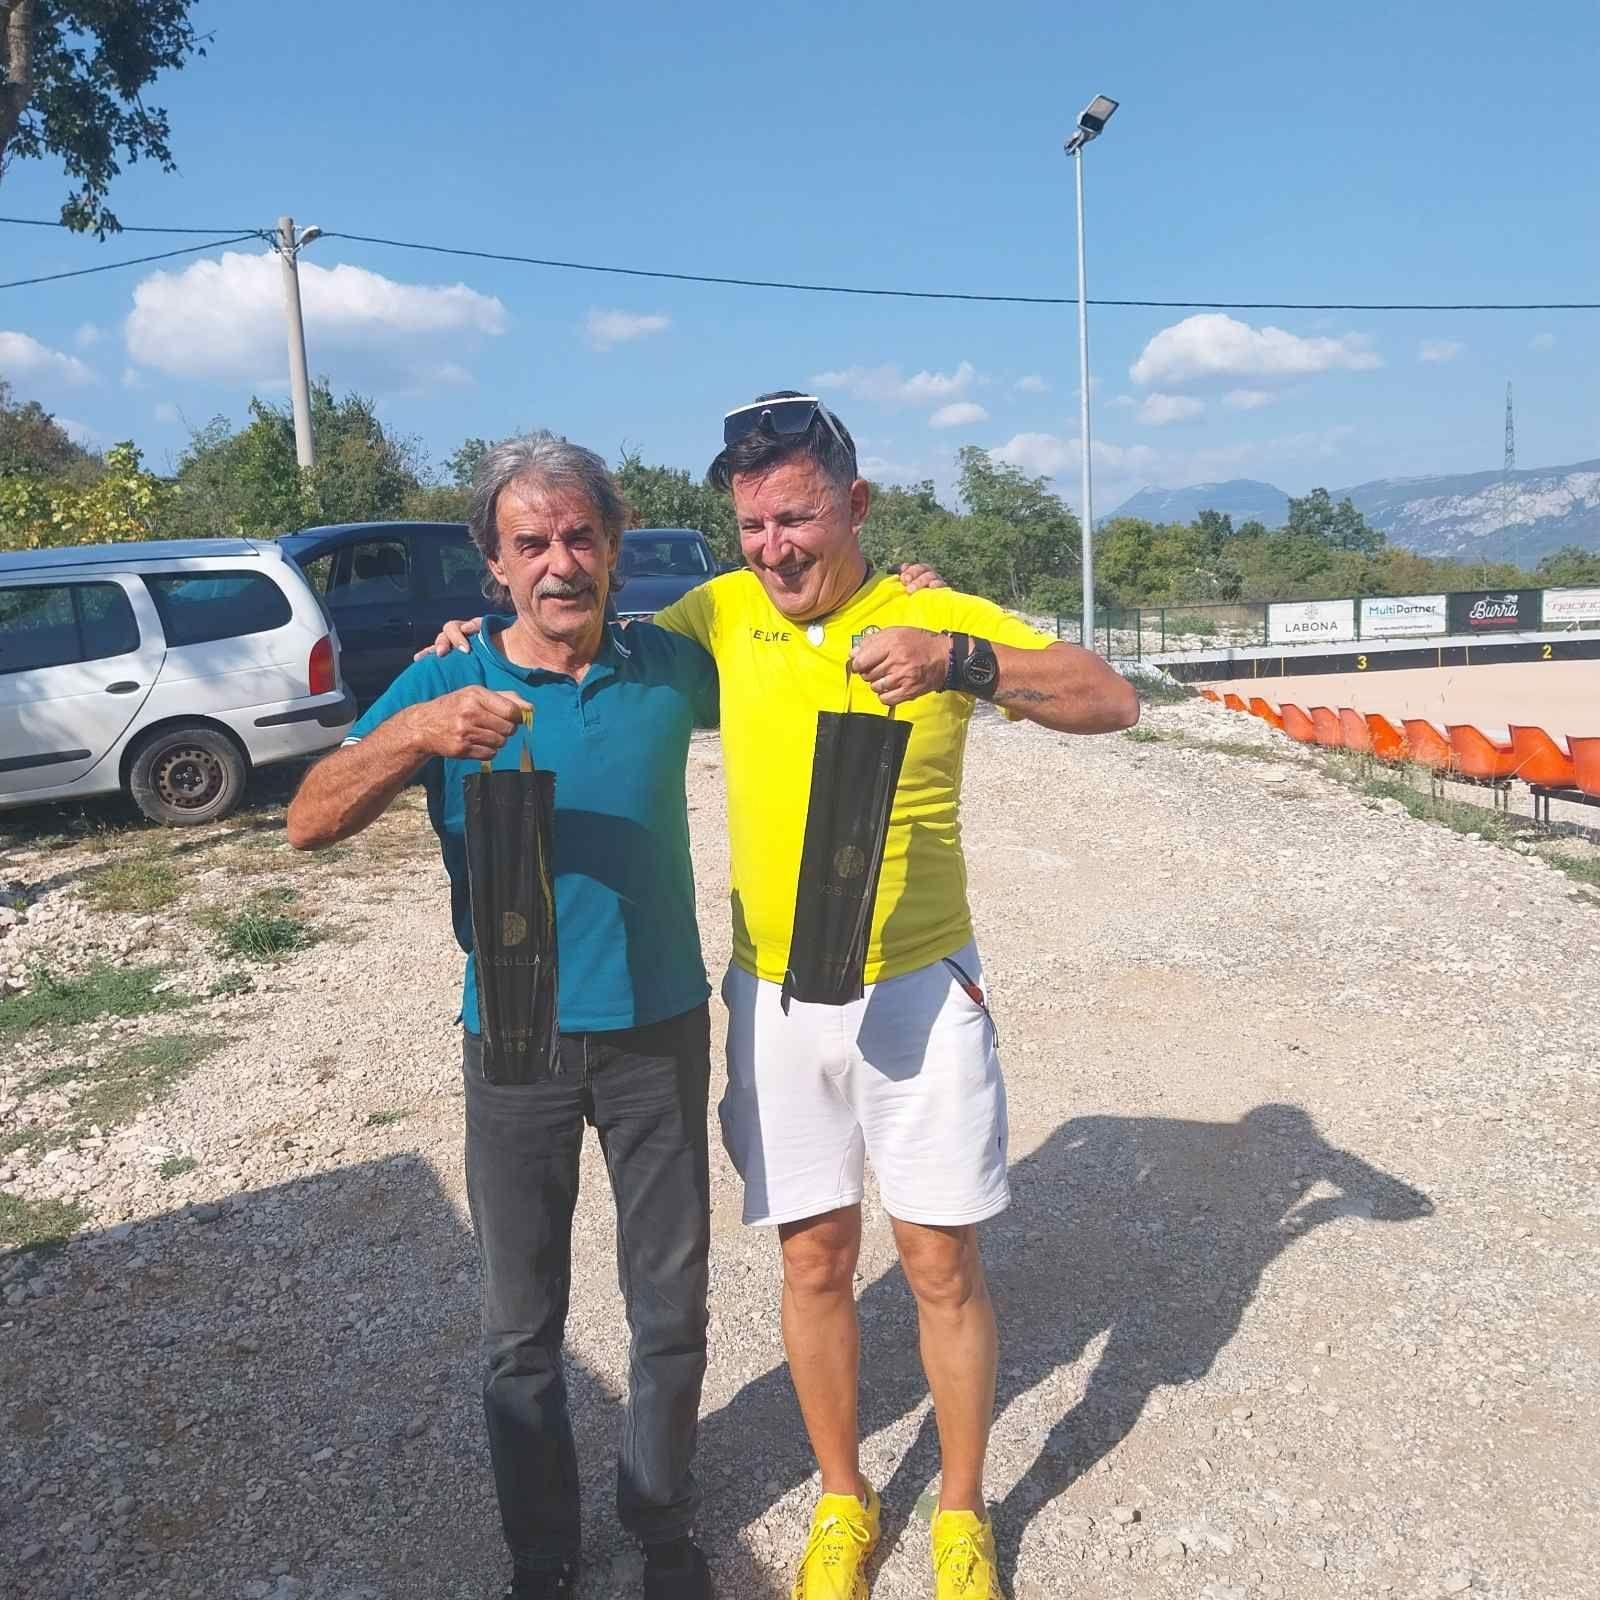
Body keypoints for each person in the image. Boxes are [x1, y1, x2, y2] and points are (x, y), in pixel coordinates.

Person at [431, 393, 1139, 1600]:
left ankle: (961, 1513)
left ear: (854, 505)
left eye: (797, 518)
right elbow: (585, 634)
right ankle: (843, 1499)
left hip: (919, 987)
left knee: (938, 1263)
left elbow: (1108, 698)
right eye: (753, 524)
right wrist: (475, 639)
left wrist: (959, 662)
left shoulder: (933, 616)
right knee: (813, 1260)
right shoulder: (718, 614)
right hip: (774, 993)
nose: (774, 547)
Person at [286, 433, 722, 1600]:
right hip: (515, 1038)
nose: (559, 563)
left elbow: (802, 657)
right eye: (531, 542)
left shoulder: (667, 667)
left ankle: (661, 1522)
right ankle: (542, 1553)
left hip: (659, 1027)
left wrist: (904, 598)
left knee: (670, 1302)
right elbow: (307, 820)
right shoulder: (448, 679)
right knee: (522, 1326)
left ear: (615, 545)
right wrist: (416, 733)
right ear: (494, 560)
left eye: (580, 536)